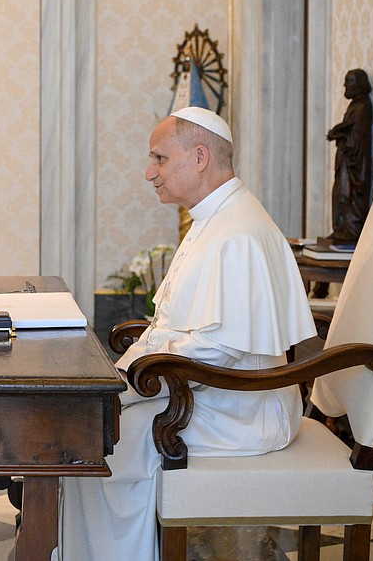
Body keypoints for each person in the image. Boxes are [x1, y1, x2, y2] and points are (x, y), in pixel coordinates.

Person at [57, 106, 315, 561]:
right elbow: (178, 329)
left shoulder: (238, 233)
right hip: (217, 395)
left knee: (93, 444)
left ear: (199, 157)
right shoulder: (215, 219)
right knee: (87, 430)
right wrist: (123, 376)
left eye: (159, 158)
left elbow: (219, 350)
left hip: (244, 410)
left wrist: (131, 379)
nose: (148, 172)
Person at [327, 68, 373, 242]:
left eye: (350, 81)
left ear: (360, 84)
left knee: (348, 195)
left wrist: (337, 134)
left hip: (354, 161)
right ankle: (341, 229)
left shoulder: (363, 106)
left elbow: (356, 134)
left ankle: (350, 230)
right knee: (339, 193)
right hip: (346, 160)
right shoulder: (355, 105)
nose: (345, 85)